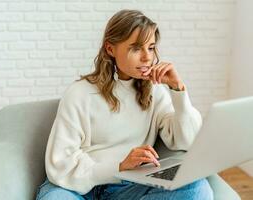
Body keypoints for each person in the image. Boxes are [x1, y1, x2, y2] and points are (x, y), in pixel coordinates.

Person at [36, 9, 213, 200]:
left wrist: (178, 90)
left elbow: (188, 140)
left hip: (126, 189)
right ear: (110, 49)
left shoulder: (156, 91)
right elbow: (60, 163)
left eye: (151, 47)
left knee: (198, 189)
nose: (147, 57)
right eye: (136, 48)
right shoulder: (80, 93)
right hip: (75, 188)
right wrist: (118, 166)